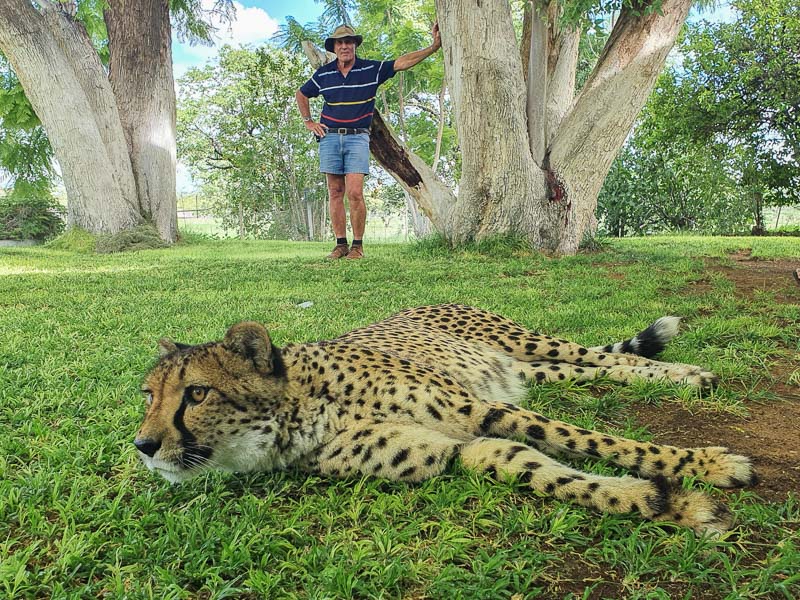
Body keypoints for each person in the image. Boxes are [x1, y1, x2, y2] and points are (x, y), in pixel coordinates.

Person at [295, 23, 441, 259]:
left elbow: (401, 62)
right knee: (335, 191)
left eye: (349, 42)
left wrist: (433, 47)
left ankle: (358, 246)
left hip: (358, 138)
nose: (345, 46)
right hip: (329, 137)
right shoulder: (324, 74)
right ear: (333, 47)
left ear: (355, 45)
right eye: (340, 43)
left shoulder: (370, 69)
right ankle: (340, 244)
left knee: (354, 192)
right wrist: (308, 121)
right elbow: (301, 94)